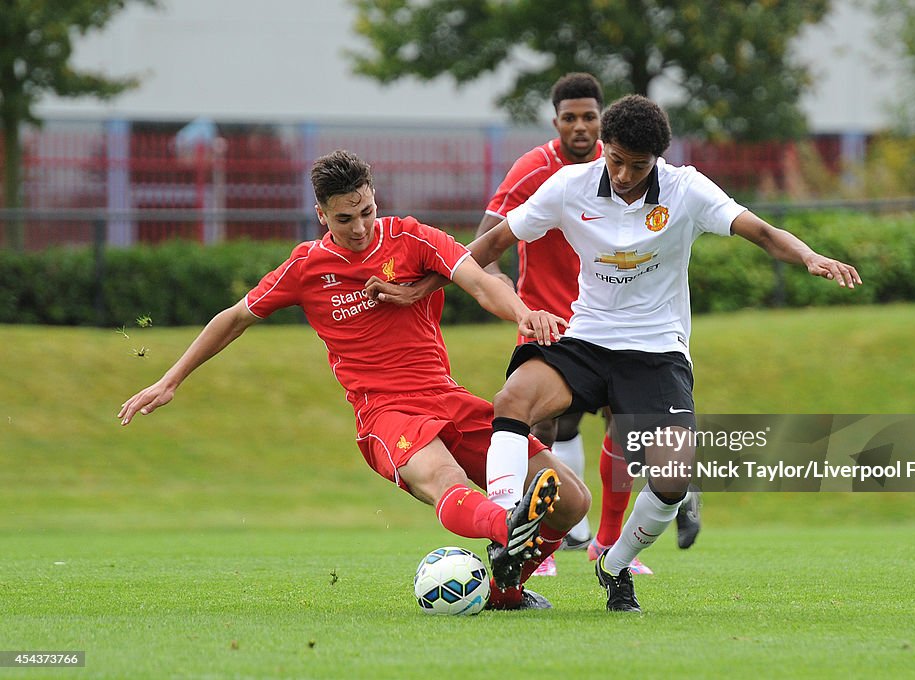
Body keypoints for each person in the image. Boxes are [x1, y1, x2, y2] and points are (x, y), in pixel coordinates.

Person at [384, 94, 861, 612]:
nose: (626, 174)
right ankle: (505, 532)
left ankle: (614, 563)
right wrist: (427, 285)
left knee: (673, 476)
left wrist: (810, 256)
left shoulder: (687, 189)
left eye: (639, 165)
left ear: (658, 157)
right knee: (512, 399)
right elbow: (494, 241)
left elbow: (762, 233)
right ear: (604, 149)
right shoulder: (570, 185)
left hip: (657, 350)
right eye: (616, 160)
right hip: (587, 338)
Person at [117, 149, 591, 611]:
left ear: (374, 198)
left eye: (366, 211)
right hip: (385, 414)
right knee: (445, 479)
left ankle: (505, 591)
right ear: (321, 214)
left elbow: (482, 282)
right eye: (345, 219)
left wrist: (523, 313)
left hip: (446, 396)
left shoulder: (413, 238)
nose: (360, 227)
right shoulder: (305, 267)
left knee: (571, 500)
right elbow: (234, 317)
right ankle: (509, 526)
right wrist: (170, 380)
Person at [473, 72, 685, 577]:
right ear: (556, 122)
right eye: (570, 118)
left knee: (627, 426)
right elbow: (486, 247)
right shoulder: (537, 170)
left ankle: (603, 546)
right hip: (546, 317)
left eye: (589, 116)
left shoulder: (623, 170)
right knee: (541, 422)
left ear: (602, 118)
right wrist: (512, 301)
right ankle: (534, 537)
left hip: (607, 322)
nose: (581, 126)